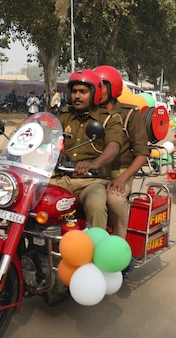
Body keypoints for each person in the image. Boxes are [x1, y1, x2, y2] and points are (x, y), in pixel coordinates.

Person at [52, 69, 123, 230]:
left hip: (91, 182)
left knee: (96, 205)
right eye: (74, 91)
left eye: (83, 92)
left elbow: (113, 147)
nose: (77, 96)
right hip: (62, 178)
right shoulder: (63, 116)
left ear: (94, 93)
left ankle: (95, 249)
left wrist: (94, 164)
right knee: (30, 195)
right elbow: (44, 136)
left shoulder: (109, 119)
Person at [94, 65, 148, 239]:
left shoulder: (130, 114)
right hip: (91, 173)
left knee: (115, 201)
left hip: (119, 173)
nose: (96, 90)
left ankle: (119, 246)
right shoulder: (86, 112)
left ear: (113, 88)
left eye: (100, 86)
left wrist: (122, 179)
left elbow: (141, 153)